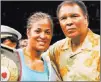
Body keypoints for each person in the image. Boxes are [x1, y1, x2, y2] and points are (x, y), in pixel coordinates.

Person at [42, 0, 100, 81]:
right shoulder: (57, 48)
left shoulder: (98, 46)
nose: (68, 22)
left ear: (85, 19)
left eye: (74, 16)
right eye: (63, 18)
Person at [17, 12, 60, 81]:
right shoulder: (14, 57)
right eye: (37, 31)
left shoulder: (51, 66)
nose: (43, 36)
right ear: (28, 33)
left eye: (47, 32)